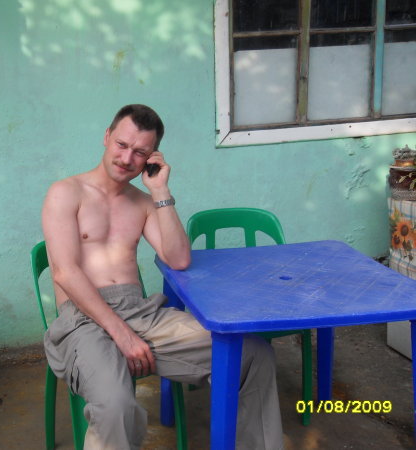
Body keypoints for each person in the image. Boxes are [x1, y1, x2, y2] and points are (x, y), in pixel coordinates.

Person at [42, 104, 283, 450]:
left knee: (253, 355)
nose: (127, 158)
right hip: (83, 319)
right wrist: (122, 335)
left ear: (151, 157)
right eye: (122, 145)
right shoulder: (66, 192)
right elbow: (65, 272)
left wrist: (159, 191)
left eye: (140, 152)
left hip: (139, 313)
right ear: (107, 136)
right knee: (115, 405)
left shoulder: (143, 202)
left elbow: (179, 259)